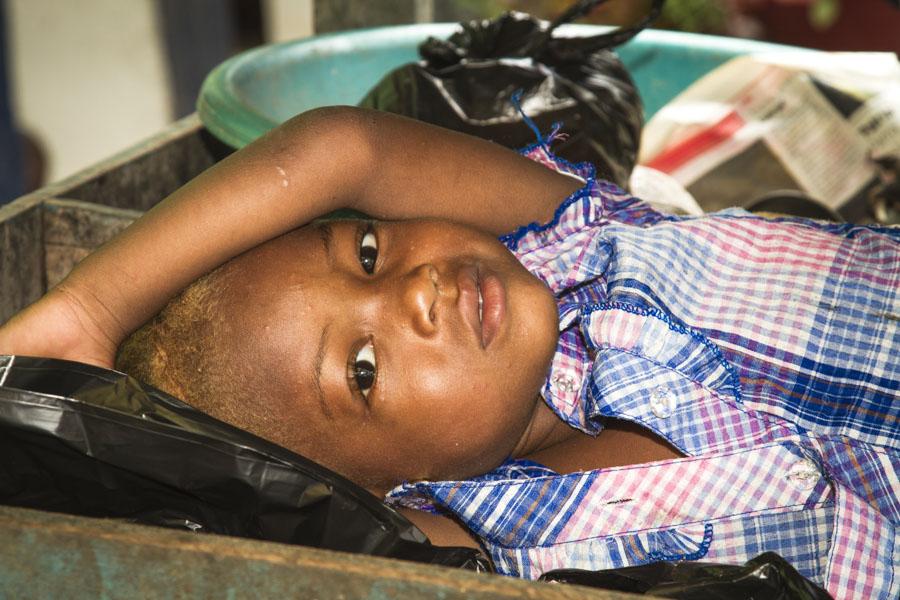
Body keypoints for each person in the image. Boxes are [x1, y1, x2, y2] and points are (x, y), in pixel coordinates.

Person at [0, 106, 897, 598]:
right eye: (362, 369)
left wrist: (89, 307)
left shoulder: (582, 244)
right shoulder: (500, 542)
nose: (414, 294)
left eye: (365, 254)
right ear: (379, 493)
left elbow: (343, 147)